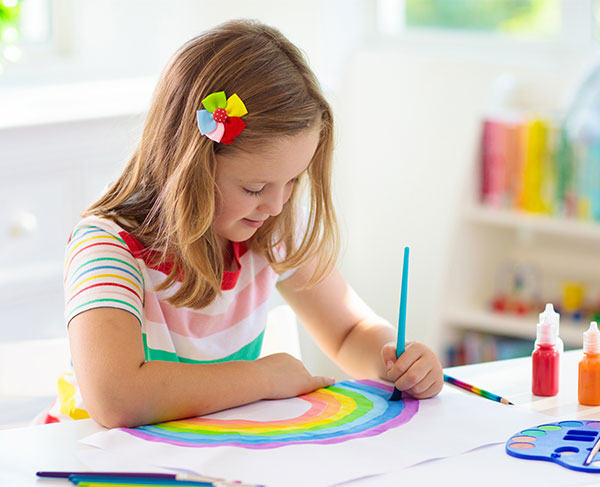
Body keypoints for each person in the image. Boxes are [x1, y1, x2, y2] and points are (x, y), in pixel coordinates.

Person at [44, 20, 443, 428]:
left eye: (293, 181)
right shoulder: (109, 248)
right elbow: (116, 398)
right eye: (255, 187)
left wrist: (398, 361)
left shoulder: (273, 229)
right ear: (188, 166)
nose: (275, 204)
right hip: (91, 465)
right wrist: (262, 378)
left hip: (203, 458)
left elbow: (348, 331)